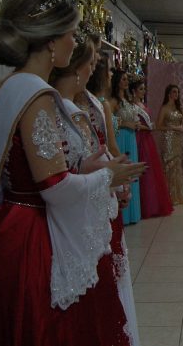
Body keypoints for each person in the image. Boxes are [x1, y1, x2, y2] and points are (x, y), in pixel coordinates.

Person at [0, 0, 145, 346]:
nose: (73, 42)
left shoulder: (9, 87)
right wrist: (107, 176)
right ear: (51, 40)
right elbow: (54, 188)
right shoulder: (37, 95)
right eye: (71, 33)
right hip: (34, 237)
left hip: (11, 223)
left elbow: (28, 172)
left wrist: (84, 169)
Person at [52, 27, 141, 346]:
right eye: (90, 63)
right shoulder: (55, 107)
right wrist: (106, 176)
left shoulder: (90, 104)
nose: (94, 70)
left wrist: (117, 177)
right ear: (75, 67)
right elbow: (60, 174)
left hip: (97, 201)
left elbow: (101, 148)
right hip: (76, 212)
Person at [130, 76, 174, 217]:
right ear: (134, 91)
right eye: (141, 89)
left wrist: (149, 126)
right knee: (144, 168)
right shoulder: (132, 106)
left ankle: (152, 204)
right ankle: (144, 205)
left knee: (151, 169)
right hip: (140, 138)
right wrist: (147, 127)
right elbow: (135, 124)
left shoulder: (142, 104)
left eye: (144, 89)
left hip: (147, 138)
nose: (143, 91)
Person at [111, 70, 143, 224]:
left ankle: (132, 213)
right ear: (117, 81)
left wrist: (135, 124)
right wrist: (125, 124)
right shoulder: (113, 101)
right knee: (124, 173)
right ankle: (122, 214)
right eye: (123, 79)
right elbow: (109, 122)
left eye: (126, 79)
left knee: (132, 174)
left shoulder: (128, 100)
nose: (126, 82)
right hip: (121, 137)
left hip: (131, 137)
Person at [156, 84, 183, 205]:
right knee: (169, 165)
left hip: (177, 139)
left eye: (178, 92)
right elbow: (158, 126)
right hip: (168, 139)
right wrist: (173, 128)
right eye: (174, 92)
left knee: (177, 165)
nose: (177, 94)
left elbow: (181, 123)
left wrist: (180, 127)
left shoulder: (177, 107)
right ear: (169, 93)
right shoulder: (164, 108)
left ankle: (177, 195)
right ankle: (168, 196)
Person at [85, 52, 121, 156]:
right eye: (109, 70)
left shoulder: (88, 99)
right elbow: (111, 147)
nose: (112, 74)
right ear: (101, 74)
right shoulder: (103, 104)